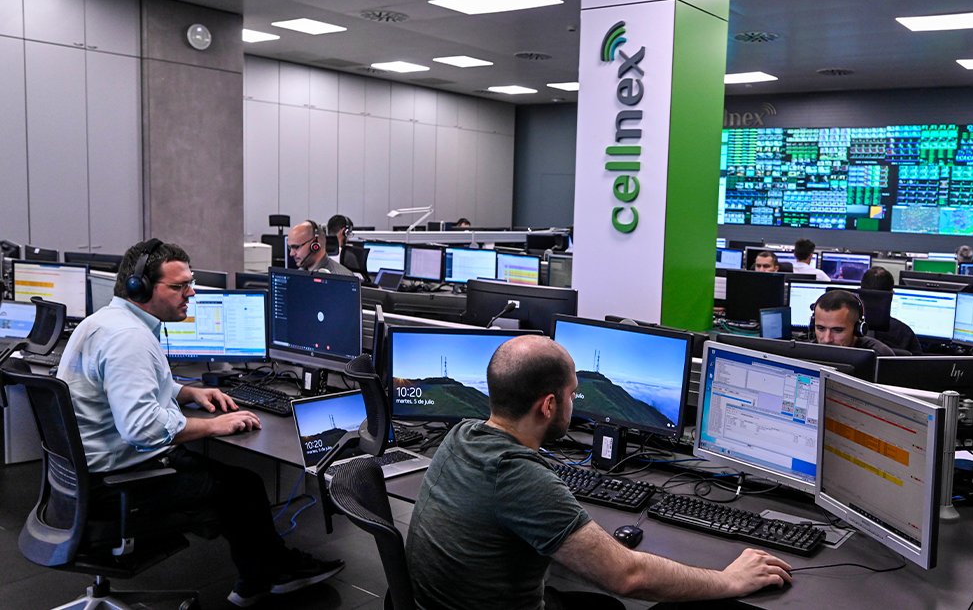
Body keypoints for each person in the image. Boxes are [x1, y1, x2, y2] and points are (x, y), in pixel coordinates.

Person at [406, 335, 793, 610]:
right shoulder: (519, 477)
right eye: (574, 395)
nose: (576, 404)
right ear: (548, 406)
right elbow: (628, 576)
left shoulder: (463, 435)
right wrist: (730, 579)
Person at [56, 239, 344, 607]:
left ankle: (264, 573)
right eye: (178, 287)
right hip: (115, 483)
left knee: (234, 481)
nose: (190, 293)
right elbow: (142, 429)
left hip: (82, 476)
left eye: (189, 283)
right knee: (242, 487)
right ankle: (264, 578)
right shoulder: (130, 339)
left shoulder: (106, 322)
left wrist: (184, 393)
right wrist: (214, 426)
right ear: (138, 287)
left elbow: (120, 385)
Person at [810, 290, 895, 356]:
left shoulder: (879, 355)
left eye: (837, 330)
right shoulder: (806, 352)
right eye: (820, 328)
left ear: (857, 329)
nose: (827, 339)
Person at [859, 267, 922, 355]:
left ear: (860, 293)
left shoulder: (849, 330)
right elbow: (918, 365)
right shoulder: (904, 333)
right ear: (891, 295)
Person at [288, 219, 354, 276]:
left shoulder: (343, 278)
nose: (291, 253)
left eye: (296, 247)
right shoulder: (298, 274)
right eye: (290, 247)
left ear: (315, 246)